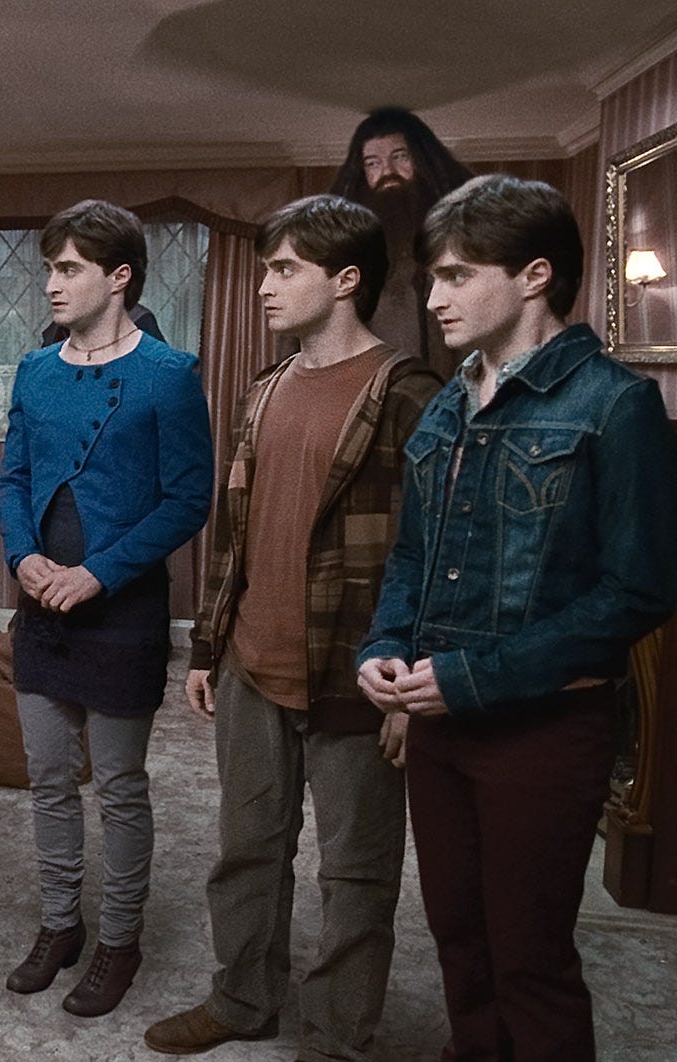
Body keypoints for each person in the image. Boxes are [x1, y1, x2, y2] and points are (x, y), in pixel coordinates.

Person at [358, 174, 677, 1061]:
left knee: (530, 961)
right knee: (459, 944)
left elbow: (639, 590)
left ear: (535, 275)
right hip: (437, 723)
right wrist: (386, 646)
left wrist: (474, 678)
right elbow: (413, 557)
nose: (434, 298)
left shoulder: (614, 404)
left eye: (457, 275)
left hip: (544, 730)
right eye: (433, 277)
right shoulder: (447, 403)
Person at [143, 195, 441, 1058]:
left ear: (345, 279)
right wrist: (208, 646)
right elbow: (233, 533)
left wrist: (413, 686)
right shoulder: (265, 388)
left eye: (283, 269)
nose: (265, 286)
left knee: (355, 875)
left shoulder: (410, 394)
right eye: (265, 269)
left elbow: (437, 551)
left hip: (355, 671)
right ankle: (242, 1001)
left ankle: (337, 1037)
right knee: (246, 852)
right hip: (252, 664)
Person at [0, 200, 212, 1016]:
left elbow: (187, 499)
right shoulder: (34, 370)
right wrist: (23, 558)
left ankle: (120, 941)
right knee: (49, 779)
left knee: (119, 785)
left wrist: (98, 574)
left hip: (120, 612)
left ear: (119, 277)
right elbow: (14, 478)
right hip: (41, 610)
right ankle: (61, 926)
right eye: (49, 268)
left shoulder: (169, 373)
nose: (51, 283)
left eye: (69, 268)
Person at [328, 107, 474, 379]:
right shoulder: (342, 249)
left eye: (400, 157)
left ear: (421, 160)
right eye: (373, 163)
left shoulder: (467, 234)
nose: (388, 172)